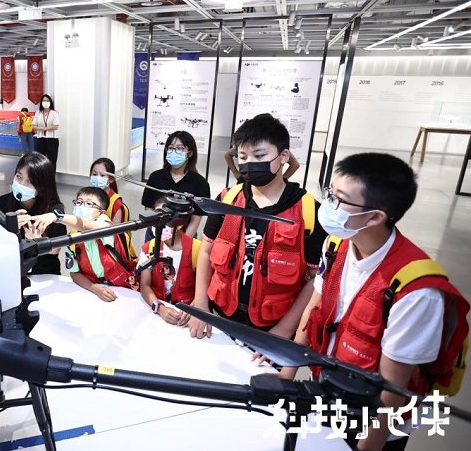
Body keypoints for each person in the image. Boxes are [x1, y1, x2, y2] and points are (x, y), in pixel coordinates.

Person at [278, 153, 469, 450]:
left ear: (375, 217)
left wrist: (369, 445)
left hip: (374, 420)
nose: (328, 205)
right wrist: (287, 373)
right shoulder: (337, 243)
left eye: (339, 200)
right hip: (332, 391)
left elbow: (394, 387)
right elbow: (315, 306)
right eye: (330, 193)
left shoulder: (416, 291)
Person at [188, 114, 326, 339]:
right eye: (243, 156)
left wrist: (284, 330)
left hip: (272, 329)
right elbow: (206, 250)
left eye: (260, 155)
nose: (250, 163)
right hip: (218, 316)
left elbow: (315, 279)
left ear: (283, 156)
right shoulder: (227, 199)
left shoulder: (308, 212)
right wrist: (201, 304)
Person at [32, 187, 136, 301]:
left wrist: (56, 216)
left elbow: (84, 225)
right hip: (93, 287)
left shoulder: (105, 225)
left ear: (101, 212)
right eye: (79, 202)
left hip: (123, 284)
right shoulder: (72, 238)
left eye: (89, 204)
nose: (81, 206)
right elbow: (74, 273)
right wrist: (95, 289)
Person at [0, 152, 66, 275]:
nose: (21, 184)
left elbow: (56, 250)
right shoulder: (0, 203)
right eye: (19, 177)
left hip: (43, 273)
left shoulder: (53, 210)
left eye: (30, 182)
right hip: (11, 270)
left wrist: (37, 241)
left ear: (43, 185)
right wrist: (10, 228)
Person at [137, 197, 200, 326]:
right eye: (155, 219)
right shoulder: (148, 248)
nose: (158, 225)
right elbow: (144, 285)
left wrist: (194, 309)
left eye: (165, 220)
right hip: (158, 316)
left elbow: (204, 289)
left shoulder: (197, 250)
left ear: (180, 223)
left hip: (187, 318)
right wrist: (159, 308)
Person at [141, 131, 210, 239]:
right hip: (155, 234)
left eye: (180, 148)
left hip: (184, 235)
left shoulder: (200, 183)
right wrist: (157, 232)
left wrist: (183, 242)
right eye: (170, 148)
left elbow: (195, 219)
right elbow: (148, 208)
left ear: (190, 153)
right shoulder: (155, 177)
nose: (174, 152)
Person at [34, 94, 60, 168]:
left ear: (50, 102)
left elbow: (56, 126)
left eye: (47, 101)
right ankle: (40, 175)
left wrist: (45, 129)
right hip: (41, 139)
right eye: (44, 100)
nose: (45, 102)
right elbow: (34, 125)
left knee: (52, 160)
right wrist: (41, 128)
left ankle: (51, 175)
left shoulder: (54, 113)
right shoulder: (38, 113)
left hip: (52, 139)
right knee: (39, 160)